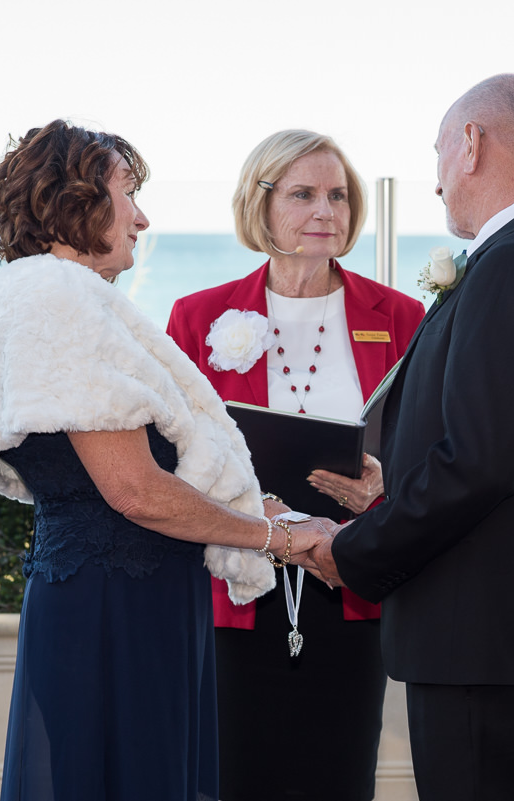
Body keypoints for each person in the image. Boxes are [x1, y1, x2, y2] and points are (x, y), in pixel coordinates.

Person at [0, 119, 332, 801]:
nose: (142, 216)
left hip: (117, 598)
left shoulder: (42, 295)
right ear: (74, 202)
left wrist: (260, 506)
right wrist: (275, 538)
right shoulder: (62, 299)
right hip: (117, 612)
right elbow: (134, 490)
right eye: (127, 192)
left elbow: (114, 477)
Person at [303, 75, 514, 800]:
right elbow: (512, 446)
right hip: (504, 626)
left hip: (482, 629)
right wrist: (393, 485)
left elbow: (480, 463)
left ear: (472, 144)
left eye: (441, 149)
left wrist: (352, 550)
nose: (437, 176)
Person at [166, 129, 425, 801]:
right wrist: (259, 508)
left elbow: (429, 452)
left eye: (338, 196)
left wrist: (384, 485)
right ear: (261, 203)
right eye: (304, 194)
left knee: (340, 776)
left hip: (351, 583)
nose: (326, 212)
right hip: (237, 594)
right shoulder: (197, 318)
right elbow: (171, 455)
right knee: (235, 778)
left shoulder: (400, 316)